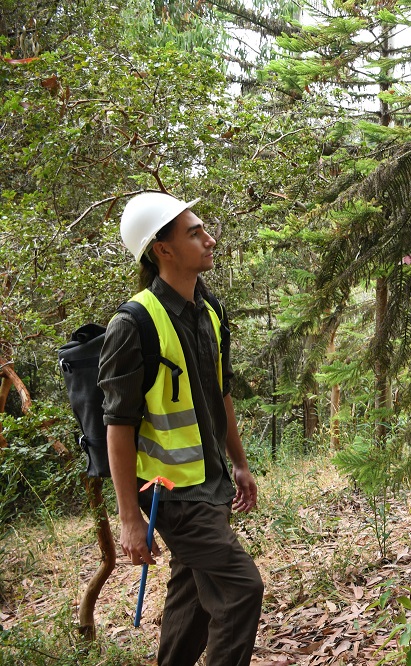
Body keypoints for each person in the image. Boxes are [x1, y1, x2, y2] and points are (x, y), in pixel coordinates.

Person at [99, 192, 264, 665]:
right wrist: (130, 518)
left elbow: (221, 393)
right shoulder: (133, 324)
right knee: (240, 590)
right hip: (170, 494)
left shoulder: (209, 311)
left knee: (191, 601)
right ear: (162, 249)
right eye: (195, 233)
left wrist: (240, 463)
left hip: (210, 482)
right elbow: (119, 425)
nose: (210, 240)